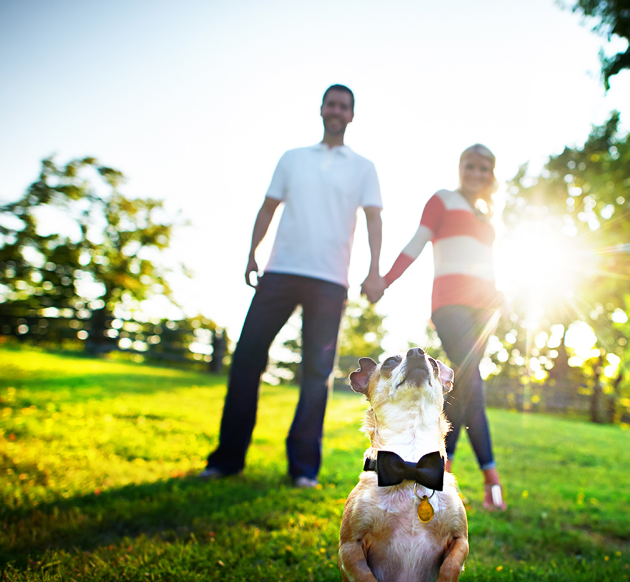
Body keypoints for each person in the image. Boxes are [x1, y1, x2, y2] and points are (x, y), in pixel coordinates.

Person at [201, 84, 386, 487]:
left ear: (352, 115)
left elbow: (374, 219)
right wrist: (252, 252)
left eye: (344, 106)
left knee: (317, 372)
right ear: (321, 109)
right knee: (247, 357)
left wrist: (374, 270)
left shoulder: (363, 167)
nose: (336, 110)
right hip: (280, 271)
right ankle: (226, 459)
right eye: (331, 104)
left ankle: (303, 469)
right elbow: (268, 207)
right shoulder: (292, 159)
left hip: (330, 280)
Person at [382, 144, 507, 510]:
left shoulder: (487, 219)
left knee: (466, 385)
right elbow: (416, 244)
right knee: (470, 380)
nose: (477, 173)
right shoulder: (442, 200)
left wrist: (501, 300)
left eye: (484, 168)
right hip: (449, 303)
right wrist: (385, 280)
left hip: (484, 309)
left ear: (491, 176)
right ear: (460, 168)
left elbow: (488, 267)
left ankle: (442, 474)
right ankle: (489, 480)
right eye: (471, 165)